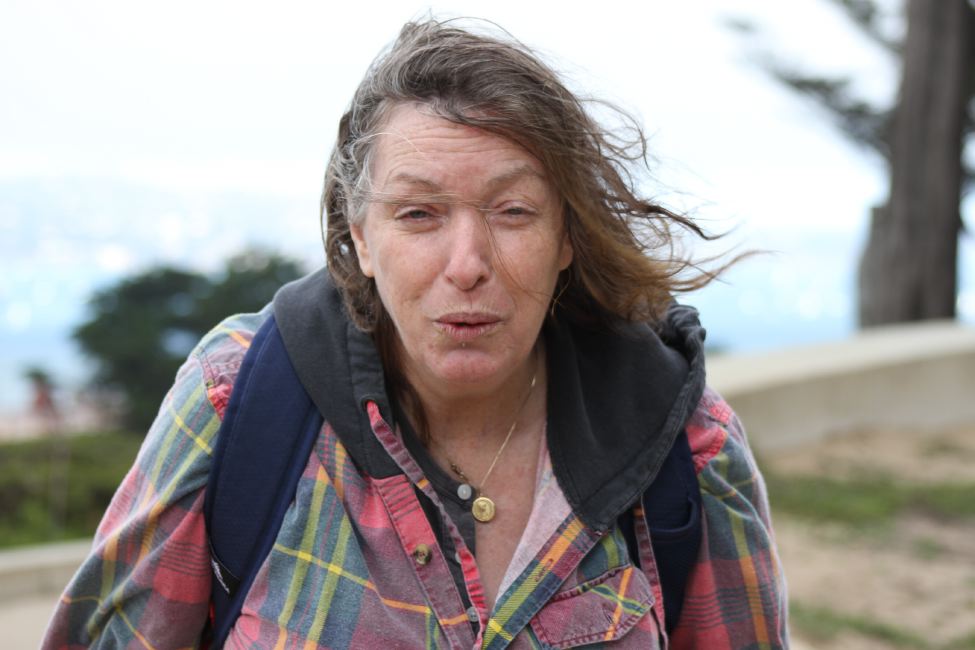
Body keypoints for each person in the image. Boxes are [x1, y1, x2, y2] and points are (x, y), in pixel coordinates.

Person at [43, 19, 788, 649]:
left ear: (567, 235)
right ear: (361, 238)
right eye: (419, 214)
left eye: (513, 212)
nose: (467, 265)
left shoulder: (685, 444)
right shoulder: (234, 401)